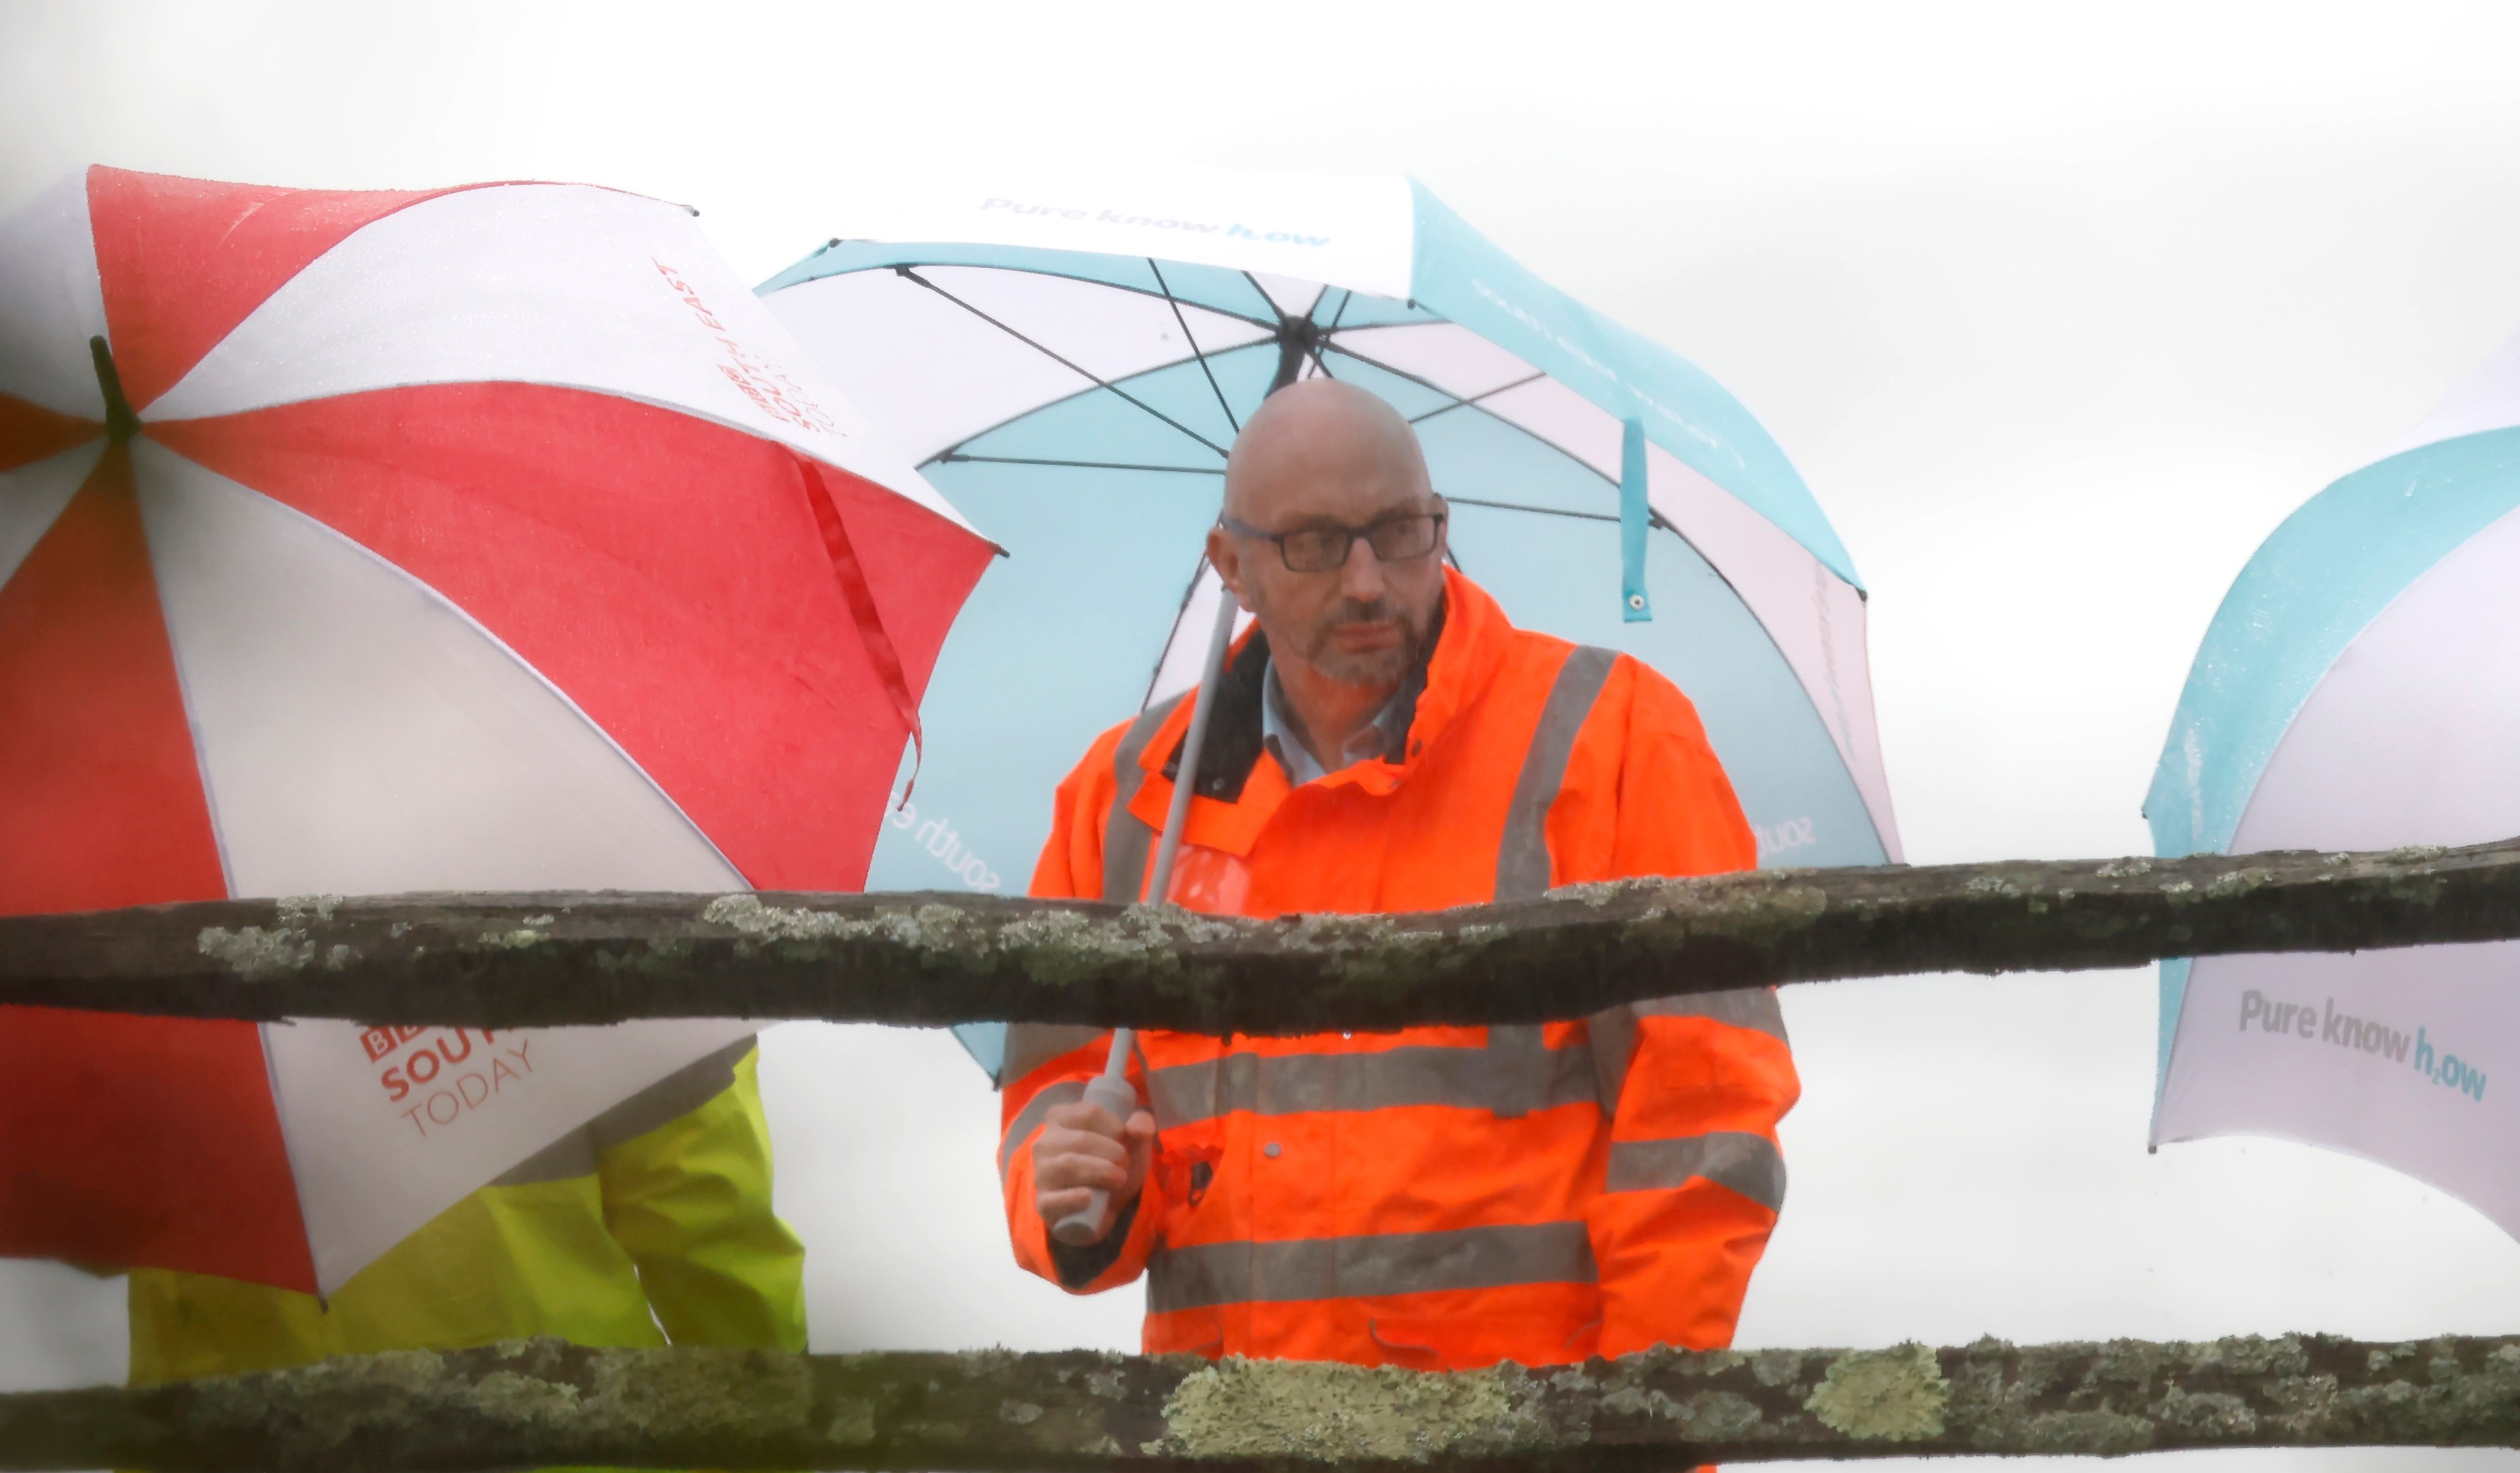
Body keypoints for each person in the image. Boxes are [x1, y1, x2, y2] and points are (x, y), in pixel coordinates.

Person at [998, 379, 1799, 1369]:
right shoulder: (1120, 801)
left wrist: (1643, 1435)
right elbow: (1049, 1092)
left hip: (1521, 1446)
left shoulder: (1615, 735)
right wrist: (1082, 1193)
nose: (1370, 579)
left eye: (1401, 530)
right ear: (1229, 564)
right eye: (1316, 543)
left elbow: (1703, 1115)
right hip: (1214, 1438)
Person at [125, 1039, 806, 1386]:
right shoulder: (585, 865)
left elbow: (172, 1302)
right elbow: (707, 1221)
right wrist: (776, 1442)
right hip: (573, 1431)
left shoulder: (155, 902)